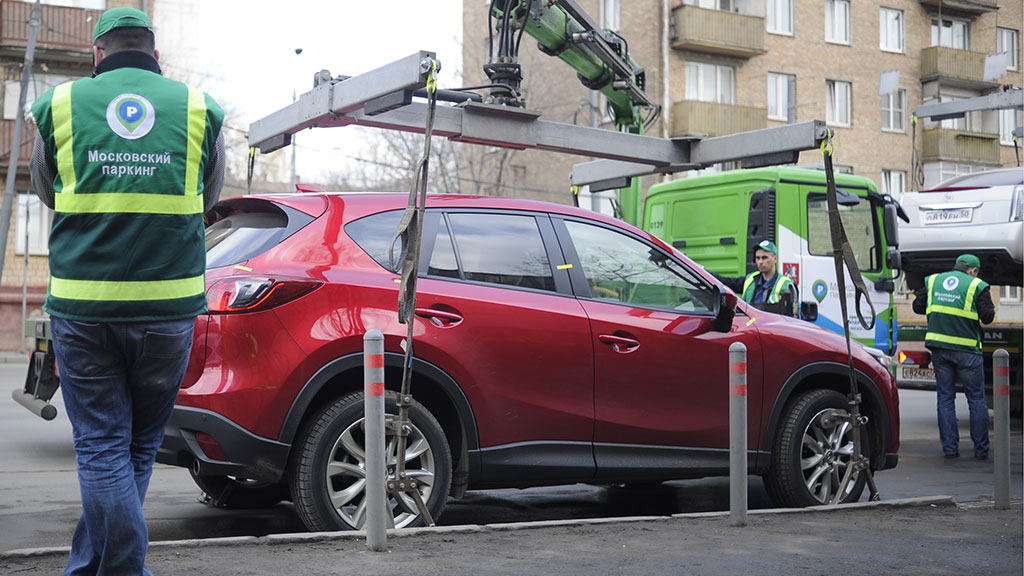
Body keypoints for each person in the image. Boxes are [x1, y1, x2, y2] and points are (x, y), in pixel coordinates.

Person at [29, 7, 224, 574]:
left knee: (101, 448)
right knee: (134, 450)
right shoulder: (197, 108)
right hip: (168, 308)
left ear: (97, 53)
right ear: (154, 54)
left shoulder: (61, 105)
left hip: (84, 306)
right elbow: (207, 197)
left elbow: (47, 190)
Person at [912, 254, 995, 460]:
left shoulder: (933, 281)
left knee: (945, 398)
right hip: (967, 351)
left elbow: (917, 307)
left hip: (940, 349)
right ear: (973, 270)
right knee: (976, 399)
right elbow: (987, 317)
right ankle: (981, 451)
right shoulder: (977, 285)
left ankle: (950, 449)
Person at [715, 240, 798, 316]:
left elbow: (792, 319)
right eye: (757, 258)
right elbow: (725, 282)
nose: (760, 262)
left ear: (775, 259)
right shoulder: (750, 280)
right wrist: (706, 272)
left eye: (764, 257)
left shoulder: (786, 285)